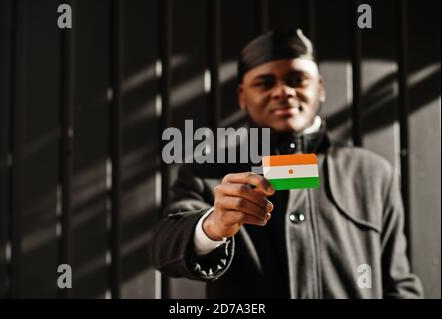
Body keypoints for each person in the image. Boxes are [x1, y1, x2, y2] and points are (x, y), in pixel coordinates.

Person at [150, 29, 423, 298]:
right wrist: (212, 227)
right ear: (243, 97)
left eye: (297, 79)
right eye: (265, 83)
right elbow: (163, 248)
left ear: (321, 88)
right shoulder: (209, 171)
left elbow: (398, 283)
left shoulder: (372, 173)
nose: (283, 91)